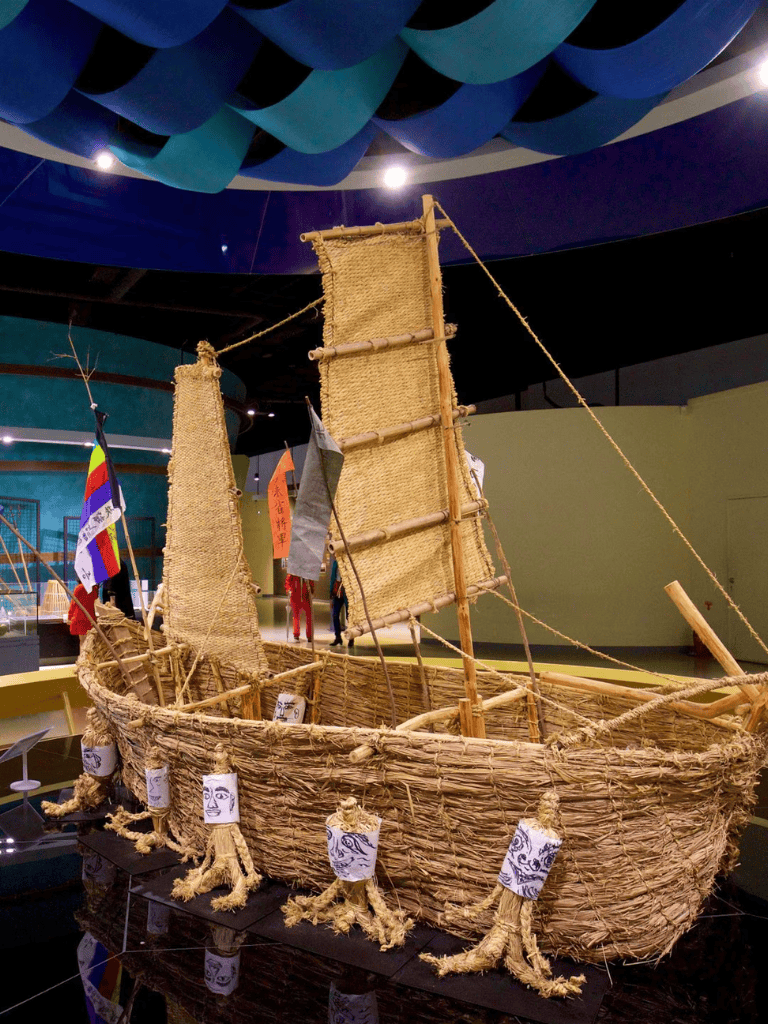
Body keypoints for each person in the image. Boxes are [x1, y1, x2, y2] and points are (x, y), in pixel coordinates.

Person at [329, 558, 353, 647]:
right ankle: (338, 637)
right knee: (335, 615)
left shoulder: (349, 562)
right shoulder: (335, 563)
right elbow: (332, 578)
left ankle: (351, 637)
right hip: (337, 592)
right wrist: (331, 593)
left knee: (349, 617)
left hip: (347, 593)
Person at [68, 582, 98, 649]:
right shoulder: (94, 588)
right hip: (90, 617)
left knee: (82, 642)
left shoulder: (79, 588)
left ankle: (83, 658)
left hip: (79, 616)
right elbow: (95, 597)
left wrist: (70, 617)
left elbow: (73, 603)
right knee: (90, 643)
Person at [285, 574, 314, 642]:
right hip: (295, 596)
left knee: (309, 616)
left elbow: (311, 582)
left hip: (306, 596)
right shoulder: (293, 571)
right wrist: (289, 590)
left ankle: (309, 635)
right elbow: (287, 581)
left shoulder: (307, 571)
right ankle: (296, 635)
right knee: (296, 616)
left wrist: (312, 591)